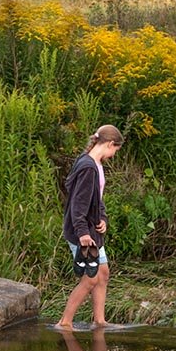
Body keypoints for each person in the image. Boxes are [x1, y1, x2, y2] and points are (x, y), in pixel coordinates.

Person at [55, 125, 124, 330]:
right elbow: (78, 205)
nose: (113, 155)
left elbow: (97, 199)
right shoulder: (87, 167)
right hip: (82, 233)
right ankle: (65, 322)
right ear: (110, 144)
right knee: (90, 279)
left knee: (103, 273)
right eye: (115, 151)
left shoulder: (95, 164)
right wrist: (83, 233)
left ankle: (100, 321)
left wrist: (102, 217)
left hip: (92, 230)